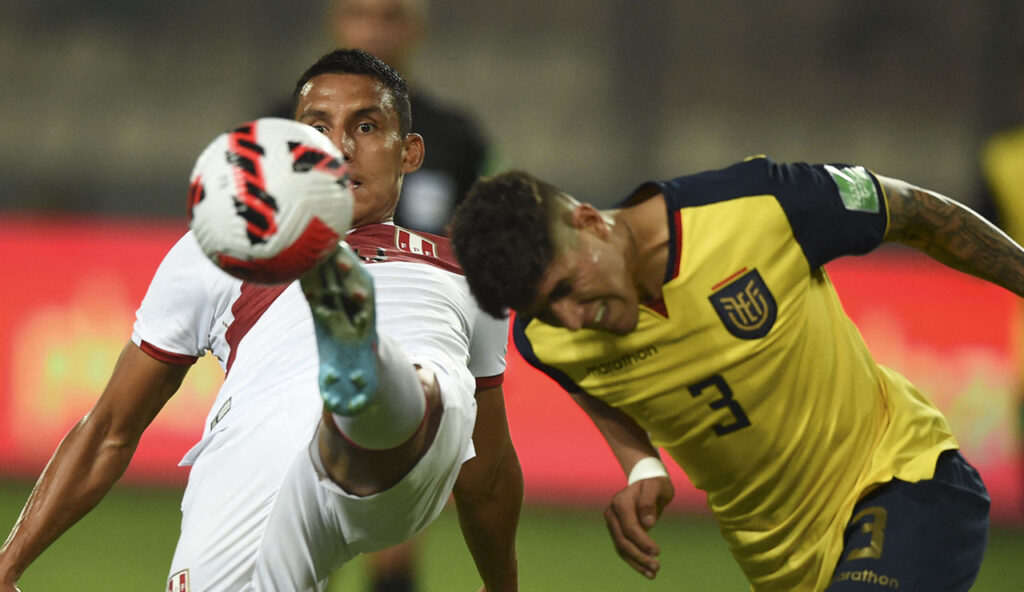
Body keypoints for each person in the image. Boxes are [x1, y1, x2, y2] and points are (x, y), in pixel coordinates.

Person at [0, 49, 522, 592]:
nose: (340, 148)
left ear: (409, 152)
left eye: (365, 126)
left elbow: (487, 468)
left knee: (402, 398)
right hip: (265, 465)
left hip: (407, 432)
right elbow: (109, 428)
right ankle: (357, 363)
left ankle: (362, 364)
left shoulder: (467, 270)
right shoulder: (217, 251)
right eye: (318, 128)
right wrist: (7, 563)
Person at [450, 160, 1024, 590]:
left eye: (565, 290)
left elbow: (918, 213)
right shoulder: (547, 341)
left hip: (903, 478)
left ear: (588, 222)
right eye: (547, 310)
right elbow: (597, 391)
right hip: (780, 567)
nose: (572, 320)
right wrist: (640, 463)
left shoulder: (759, 204)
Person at [271, 0, 492, 239]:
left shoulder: (457, 137)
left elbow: (482, 240)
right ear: (335, 22)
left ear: (416, 27)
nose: (374, 31)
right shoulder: (278, 126)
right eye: (358, 15)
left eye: (391, 17)